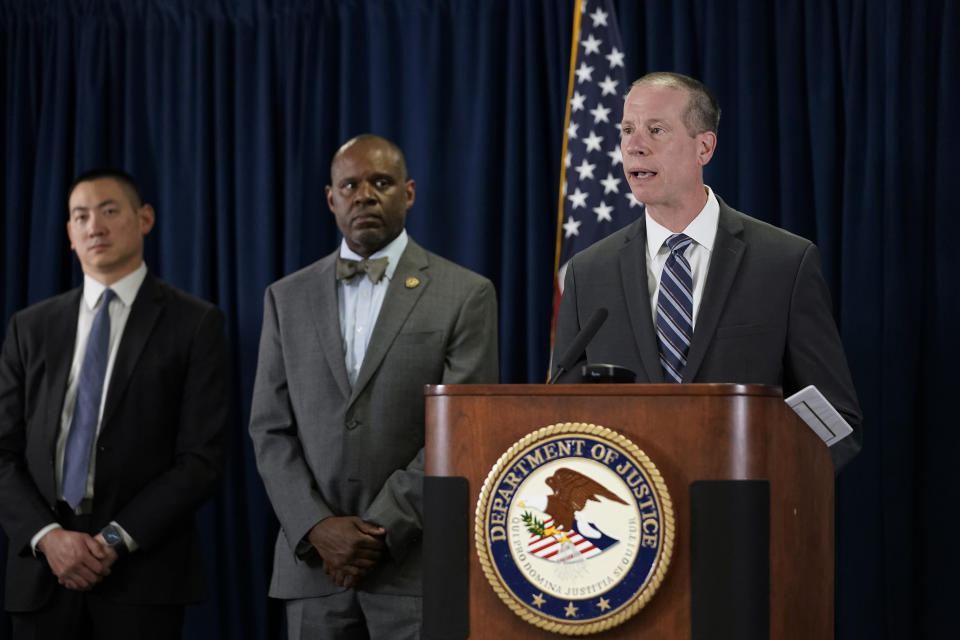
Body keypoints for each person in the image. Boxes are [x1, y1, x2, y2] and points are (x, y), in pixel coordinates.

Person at [249, 134, 498, 639]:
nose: (364, 195)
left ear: (407, 193)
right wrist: (318, 529)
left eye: (380, 182)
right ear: (331, 198)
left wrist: (377, 532)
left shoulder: (466, 294)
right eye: (350, 185)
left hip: (416, 569)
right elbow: (270, 430)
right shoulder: (285, 298)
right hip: (313, 569)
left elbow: (462, 429)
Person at [552, 72, 862, 470]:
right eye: (627, 129)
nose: (634, 145)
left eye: (656, 130)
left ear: (704, 147)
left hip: (744, 513)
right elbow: (562, 413)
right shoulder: (587, 273)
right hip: (631, 521)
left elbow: (836, 422)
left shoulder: (784, 263)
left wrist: (771, 488)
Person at [0, 168, 229, 638]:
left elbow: (201, 460)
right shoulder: (31, 327)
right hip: (42, 573)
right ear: (68, 234)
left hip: (143, 574)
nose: (94, 227)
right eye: (80, 216)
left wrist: (111, 541)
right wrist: (49, 538)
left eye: (108, 211)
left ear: (144, 218)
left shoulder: (195, 323)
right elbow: (3, 453)